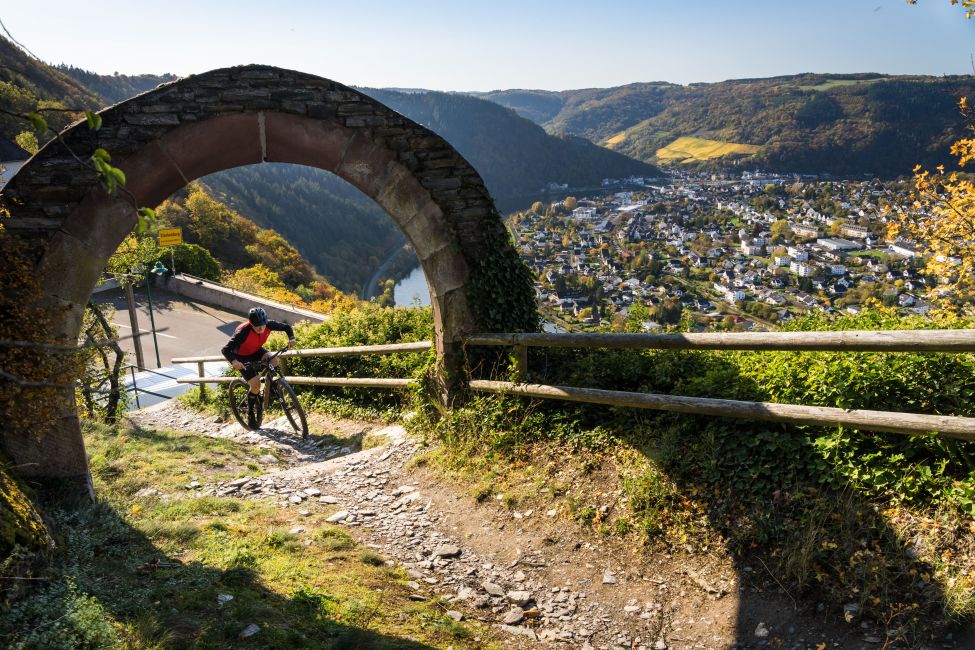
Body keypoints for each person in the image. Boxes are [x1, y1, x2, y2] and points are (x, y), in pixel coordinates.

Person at [221, 307, 296, 428]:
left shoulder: (269, 324)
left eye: (263, 325)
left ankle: (273, 387)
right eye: (257, 326)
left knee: (274, 359)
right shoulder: (243, 332)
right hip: (242, 357)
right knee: (255, 385)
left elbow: (287, 327)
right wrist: (234, 361)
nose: (261, 328)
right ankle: (251, 412)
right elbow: (225, 349)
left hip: (256, 351)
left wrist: (291, 338)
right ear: (251, 324)